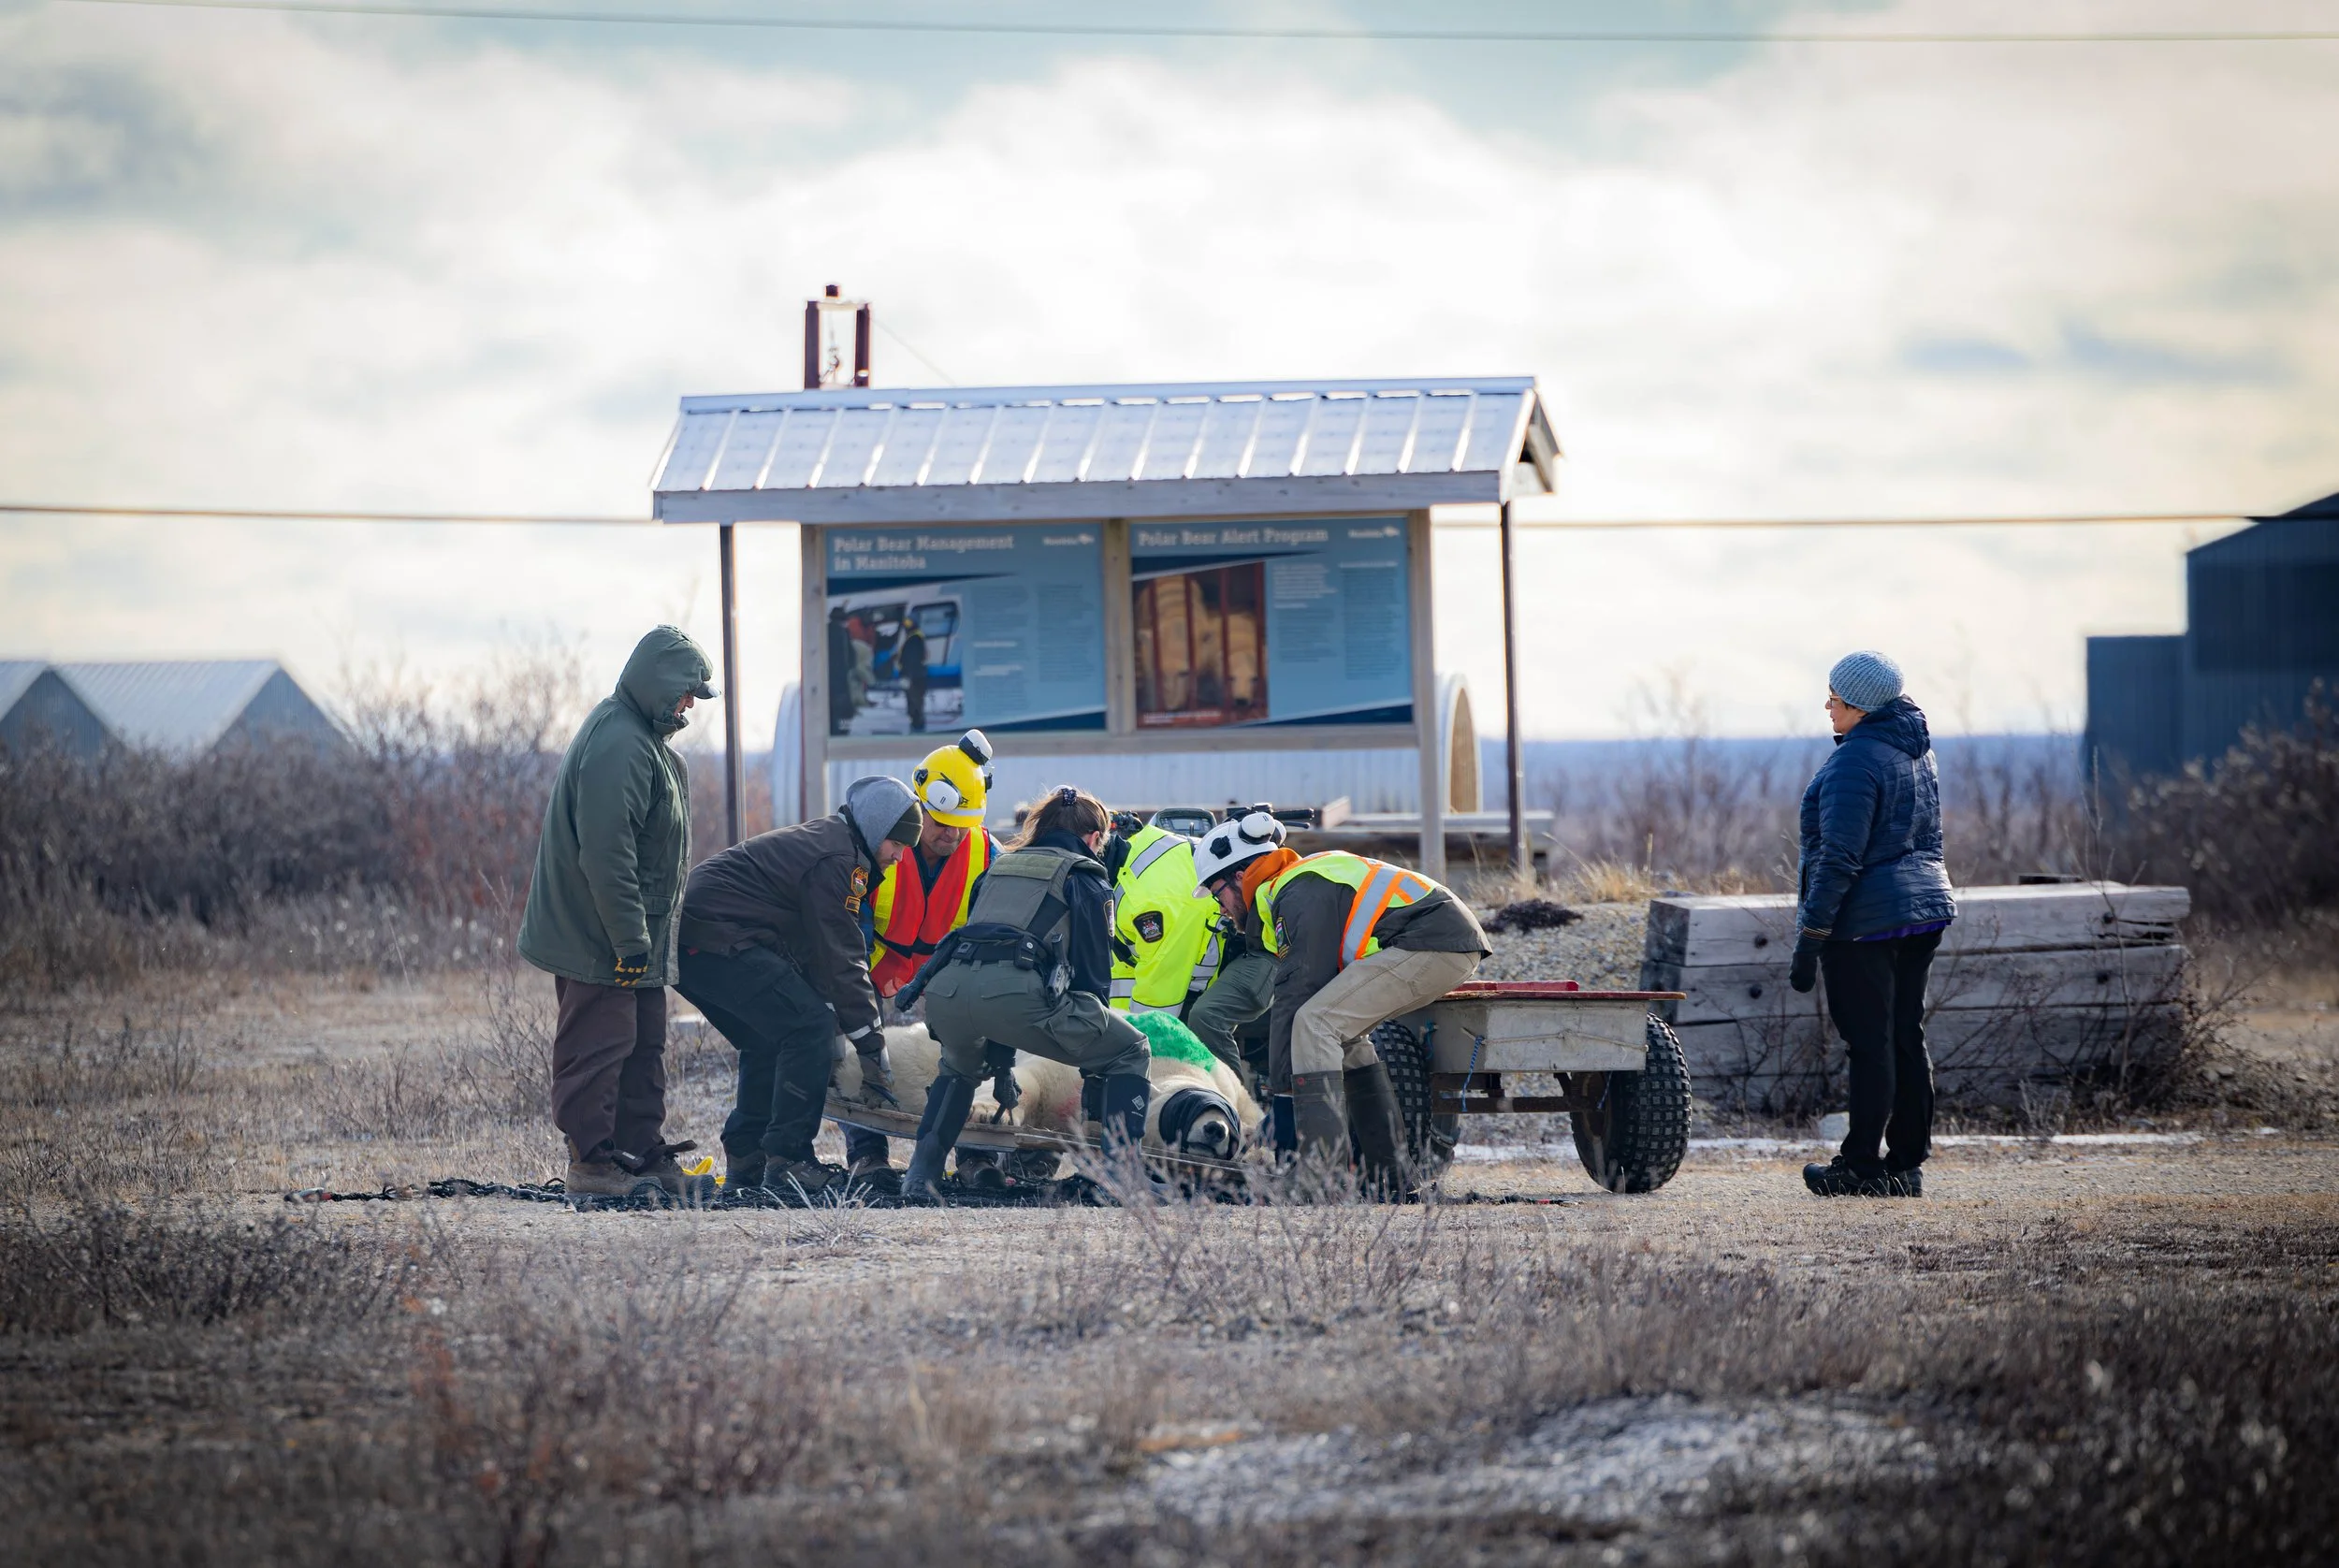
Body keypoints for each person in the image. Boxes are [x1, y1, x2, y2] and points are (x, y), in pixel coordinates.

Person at [517, 625, 715, 1205]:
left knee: (643, 1041)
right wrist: (628, 939)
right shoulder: (620, 742)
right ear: (660, 682)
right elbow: (607, 854)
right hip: (599, 935)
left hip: (631, 934)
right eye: (686, 692)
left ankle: (639, 1154)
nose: (689, 705)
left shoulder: (643, 738)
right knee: (599, 1044)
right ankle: (592, 1165)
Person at [675, 776, 923, 1198]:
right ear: (875, 828)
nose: (900, 856)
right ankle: (789, 1161)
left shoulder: (835, 843)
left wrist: (847, 1024)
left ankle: (748, 1153)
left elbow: (815, 954)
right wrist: (871, 1047)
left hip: (699, 938)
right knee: (809, 1027)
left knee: (766, 1038)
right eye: (896, 844)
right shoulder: (838, 860)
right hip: (717, 937)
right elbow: (842, 957)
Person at [901, 787, 1153, 1202]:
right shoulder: (1084, 876)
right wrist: (1095, 1059)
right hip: (1014, 996)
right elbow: (1093, 979)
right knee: (1131, 1050)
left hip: (948, 992)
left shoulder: (998, 867)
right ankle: (1121, 1179)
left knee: (958, 1071)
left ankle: (920, 1175)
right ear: (1094, 838)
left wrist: (1002, 1060)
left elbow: (988, 943)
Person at [1216, 833, 1489, 1198]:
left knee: (1316, 1024)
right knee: (1344, 1039)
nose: (1221, 908)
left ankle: (1319, 1181)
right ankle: (1388, 1178)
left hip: (1432, 941)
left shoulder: (1297, 890)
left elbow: (1299, 990)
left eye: (1218, 894)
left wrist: (1284, 1092)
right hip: (1440, 939)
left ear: (1239, 877)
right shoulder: (1301, 881)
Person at [1790, 651, 1958, 1199]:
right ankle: (1905, 1165)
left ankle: (1859, 1167)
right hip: (1923, 910)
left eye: (1835, 698)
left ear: (1861, 706)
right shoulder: (1916, 751)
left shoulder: (1854, 762)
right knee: (1905, 1035)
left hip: (1865, 921)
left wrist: (1812, 935)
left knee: (1869, 1045)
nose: (1828, 707)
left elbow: (1839, 857)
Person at [839, 731, 999, 1179]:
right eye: (941, 822)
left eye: (962, 824)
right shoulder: (878, 842)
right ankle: (867, 1153)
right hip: (875, 961)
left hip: (948, 969)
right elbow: (850, 926)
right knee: (855, 1047)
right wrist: (850, 984)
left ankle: (976, 1155)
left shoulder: (987, 853)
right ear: (919, 806)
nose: (952, 834)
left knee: (974, 1050)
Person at [899, 616, 930, 733]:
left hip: (913, 675)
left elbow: (910, 659)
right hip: (917, 674)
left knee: (914, 698)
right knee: (916, 699)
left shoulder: (914, 639)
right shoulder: (917, 637)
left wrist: (906, 674)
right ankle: (917, 721)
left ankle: (917, 722)